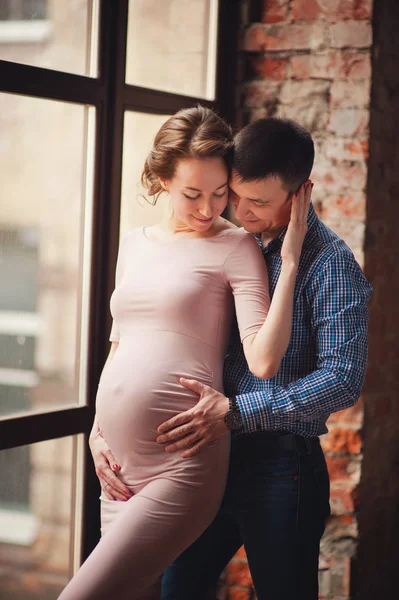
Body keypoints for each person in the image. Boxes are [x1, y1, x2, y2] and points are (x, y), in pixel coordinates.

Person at [91, 116, 372, 600]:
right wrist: (104, 427)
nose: (239, 210)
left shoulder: (330, 262)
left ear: (300, 191)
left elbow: (343, 378)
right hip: (199, 454)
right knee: (177, 592)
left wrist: (238, 412)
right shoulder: (221, 239)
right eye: (234, 194)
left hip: (279, 466)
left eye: (258, 202)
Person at [59, 106, 311, 600]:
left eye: (221, 194)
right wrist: (95, 430)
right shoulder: (133, 244)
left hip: (184, 463)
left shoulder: (235, 246)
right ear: (161, 179)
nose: (208, 209)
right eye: (192, 193)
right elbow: (120, 344)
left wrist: (291, 257)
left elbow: (263, 360)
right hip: (118, 467)